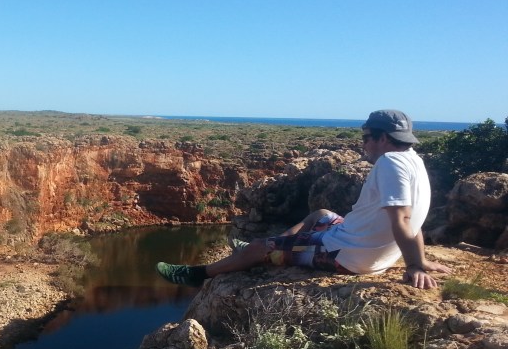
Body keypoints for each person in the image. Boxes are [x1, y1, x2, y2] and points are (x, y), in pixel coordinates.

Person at [156, 109, 452, 290]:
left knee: (261, 247)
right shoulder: (413, 160)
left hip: (347, 256)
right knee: (321, 212)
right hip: (352, 239)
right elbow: (415, 218)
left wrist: (414, 265)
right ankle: (276, 244)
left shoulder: (390, 163)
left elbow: (402, 219)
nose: (363, 143)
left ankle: (197, 274)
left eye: (365, 137)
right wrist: (421, 259)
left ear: (383, 138)